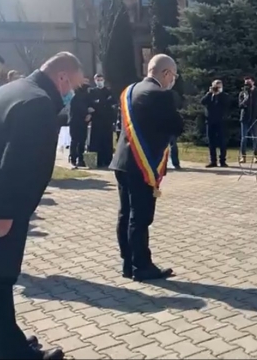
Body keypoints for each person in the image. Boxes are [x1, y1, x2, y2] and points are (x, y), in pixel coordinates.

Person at [0, 52, 86, 360]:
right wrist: (5, 212)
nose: (73, 94)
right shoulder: (37, 102)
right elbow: (17, 164)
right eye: (75, 86)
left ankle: (2, 339)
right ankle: (8, 352)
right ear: (62, 77)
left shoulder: (13, 90)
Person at [109, 54, 184, 282]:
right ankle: (142, 266)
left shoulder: (130, 90)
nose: (174, 80)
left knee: (125, 214)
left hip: (122, 162)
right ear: (165, 73)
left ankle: (128, 263)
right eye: (174, 75)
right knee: (140, 217)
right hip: (141, 164)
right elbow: (177, 126)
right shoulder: (161, 95)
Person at [88, 74, 116, 168]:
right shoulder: (92, 91)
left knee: (107, 140)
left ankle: (107, 160)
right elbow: (91, 103)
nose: (99, 81)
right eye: (97, 80)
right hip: (96, 120)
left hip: (107, 120)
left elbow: (111, 104)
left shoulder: (108, 91)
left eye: (101, 79)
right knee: (96, 140)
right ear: (95, 81)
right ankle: (98, 161)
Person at [201, 79, 228, 168]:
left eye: (219, 86)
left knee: (222, 142)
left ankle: (222, 161)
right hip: (210, 121)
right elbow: (202, 102)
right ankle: (213, 161)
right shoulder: (209, 96)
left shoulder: (224, 96)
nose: (217, 88)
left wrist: (220, 93)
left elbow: (227, 103)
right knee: (211, 142)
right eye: (216, 86)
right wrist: (209, 93)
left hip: (221, 122)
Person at [238, 75, 257, 164]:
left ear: (253, 82)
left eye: (249, 82)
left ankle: (255, 156)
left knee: (255, 138)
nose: (247, 85)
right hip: (245, 118)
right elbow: (240, 105)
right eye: (246, 83)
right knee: (244, 138)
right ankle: (243, 156)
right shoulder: (243, 93)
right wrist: (246, 98)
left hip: (255, 118)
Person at [68, 83, 92, 168]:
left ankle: (80, 159)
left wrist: (88, 114)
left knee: (82, 141)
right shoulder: (76, 98)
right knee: (75, 140)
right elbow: (80, 108)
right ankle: (73, 158)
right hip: (75, 122)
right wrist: (87, 111)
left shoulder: (84, 99)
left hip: (82, 122)